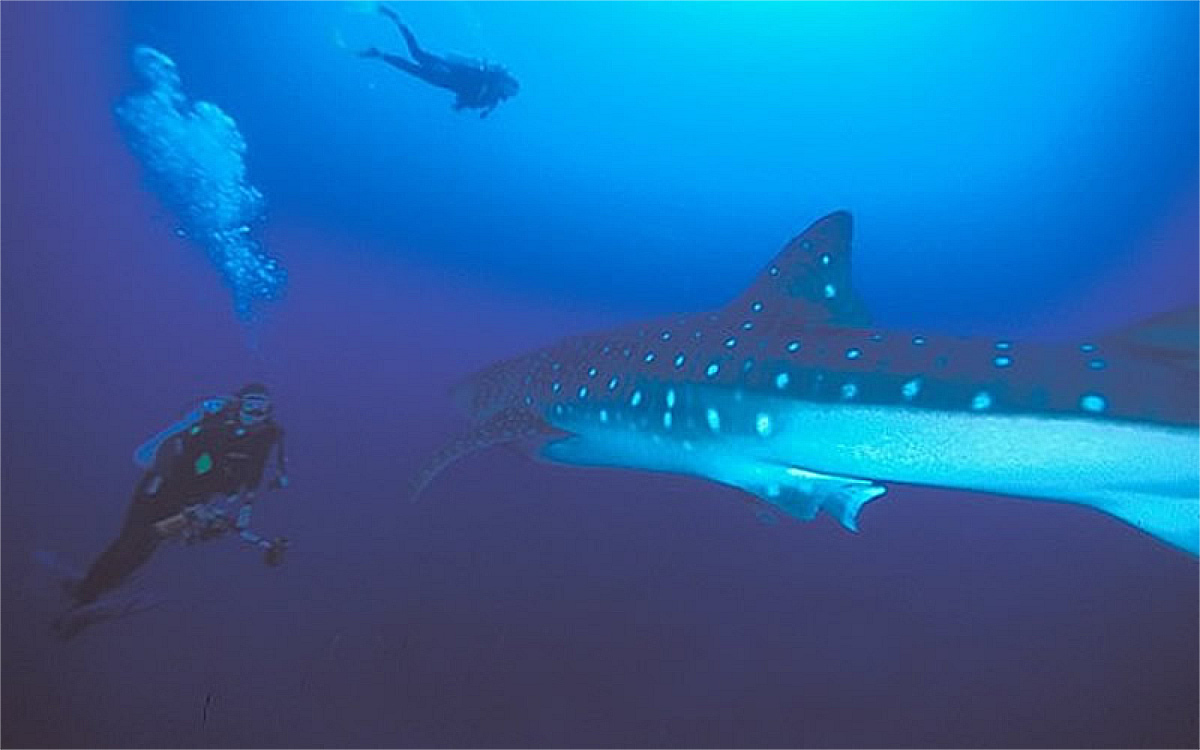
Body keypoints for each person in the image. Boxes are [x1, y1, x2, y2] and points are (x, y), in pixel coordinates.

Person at [69, 383, 290, 607]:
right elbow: (190, 462)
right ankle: (86, 591)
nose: (256, 414)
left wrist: (236, 515)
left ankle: (97, 589)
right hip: (158, 491)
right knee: (131, 541)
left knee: (149, 545)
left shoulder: (266, 438)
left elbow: (252, 479)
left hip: (194, 504)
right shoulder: (215, 426)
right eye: (250, 406)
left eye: (262, 408)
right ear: (238, 406)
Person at [359, 4, 519, 119]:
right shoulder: (491, 79)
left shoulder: (492, 101)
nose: (508, 93)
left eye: (510, 93)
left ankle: (381, 51)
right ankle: (395, 24)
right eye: (510, 89)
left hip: (445, 81)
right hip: (446, 71)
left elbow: (469, 100)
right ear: (507, 83)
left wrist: (460, 106)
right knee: (416, 56)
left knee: (414, 65)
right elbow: (470, 75)